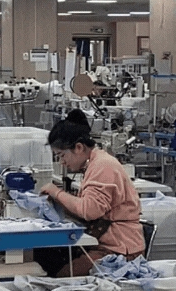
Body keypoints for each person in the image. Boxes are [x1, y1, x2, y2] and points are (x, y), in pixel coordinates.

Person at [36, 109, 144, 277]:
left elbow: (89, 210)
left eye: (62, 155)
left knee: (60, 276)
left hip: (119, 251)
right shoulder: (95, 164)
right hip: (107, 243)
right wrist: (58, 202)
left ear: (79, 147)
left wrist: (57, 193)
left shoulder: (103, 166)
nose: (62, 162)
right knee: (46, 258)